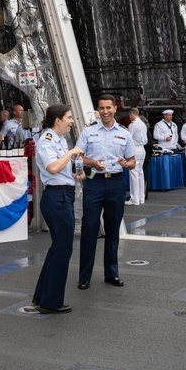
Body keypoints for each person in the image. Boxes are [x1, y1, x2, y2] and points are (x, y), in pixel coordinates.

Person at [75, 94, 137, 290]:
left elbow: (133, 161)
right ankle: (84, 276)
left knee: (112, 230)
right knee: (89, 229)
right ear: (98, 110)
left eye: (108, 108)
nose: (105, 112)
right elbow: (78, 156)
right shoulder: (88, 131)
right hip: (94, 183)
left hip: (116, 184)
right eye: (102, 108)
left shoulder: (124, 133)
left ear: (115, 109)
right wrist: (92, 163)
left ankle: (112, 273)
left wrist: (127, 164)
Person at [32, 104, 84, 314]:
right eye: (69, 118)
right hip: (56, 198)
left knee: (58, 248)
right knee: (63, 249)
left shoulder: (60, 140)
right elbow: (52, 167)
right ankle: (51, 301)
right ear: (57, 120)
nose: (72, 121)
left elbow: (59, 170)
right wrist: (71, 152)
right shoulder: (47, 141)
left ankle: (42, 294)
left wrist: (73, 174)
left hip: (63, 194)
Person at [127, 107, 149, 205]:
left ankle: (134, 198)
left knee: (134, 173)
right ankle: (141, 197)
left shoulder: (133, 124)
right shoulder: (142, 123)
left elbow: (129, 138)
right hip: (142, 148)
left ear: (131, 114)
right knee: (140, 173)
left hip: (135, 148)